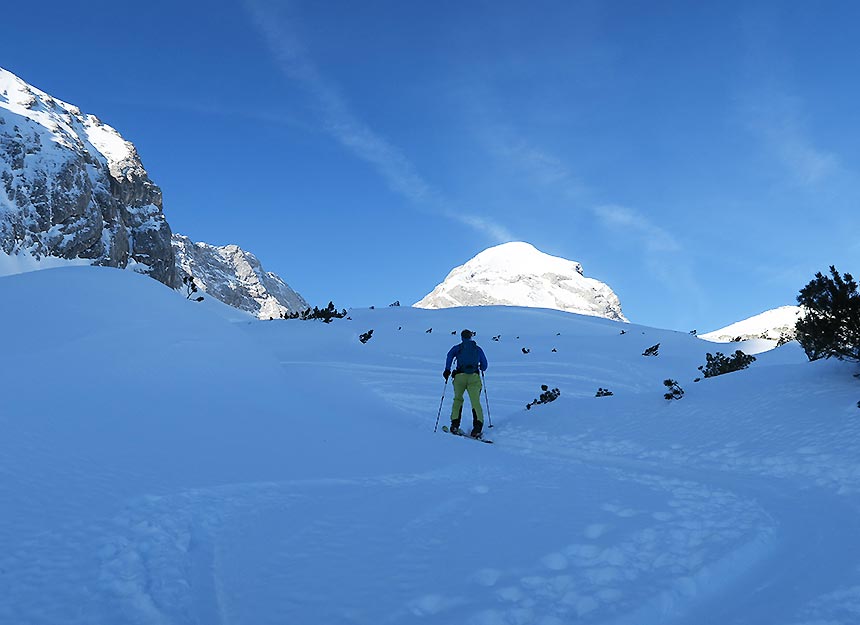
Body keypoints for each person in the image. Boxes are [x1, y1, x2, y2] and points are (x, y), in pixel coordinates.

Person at [443, 329, 488, 437]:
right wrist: (479, 367)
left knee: (458, 399)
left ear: (462, 337)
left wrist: (447, 370)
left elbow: (449, 356)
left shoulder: (457, 348)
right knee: (475, 402)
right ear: (471, 337)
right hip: (474, 377)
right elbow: (484, 365)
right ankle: (477, 428)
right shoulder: (477, 349)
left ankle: (454, 425)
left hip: (459, 377)